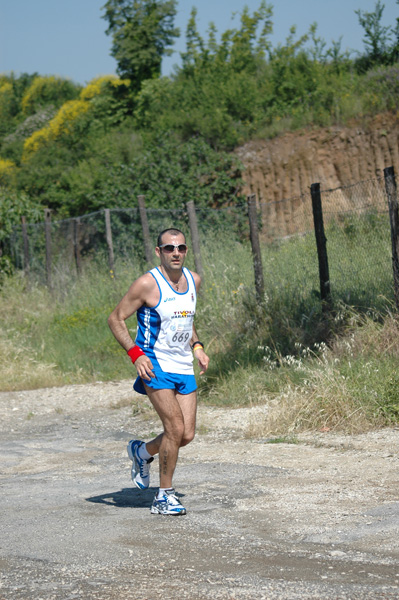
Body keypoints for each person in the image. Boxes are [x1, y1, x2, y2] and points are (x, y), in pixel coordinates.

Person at [107, 227, 209, 516]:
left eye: (180, 248)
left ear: (186, 251)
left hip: (182, 364)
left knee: (186, 434)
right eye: (168, 248)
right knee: (174, 429)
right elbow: (115, 319)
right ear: (158, 252)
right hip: (154, 364)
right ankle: (164, 496)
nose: (175, 253)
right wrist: (135, 354)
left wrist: (198, 347)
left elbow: (185, 321)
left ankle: (141, 452)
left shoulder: (193, 280)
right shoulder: (147, 284)